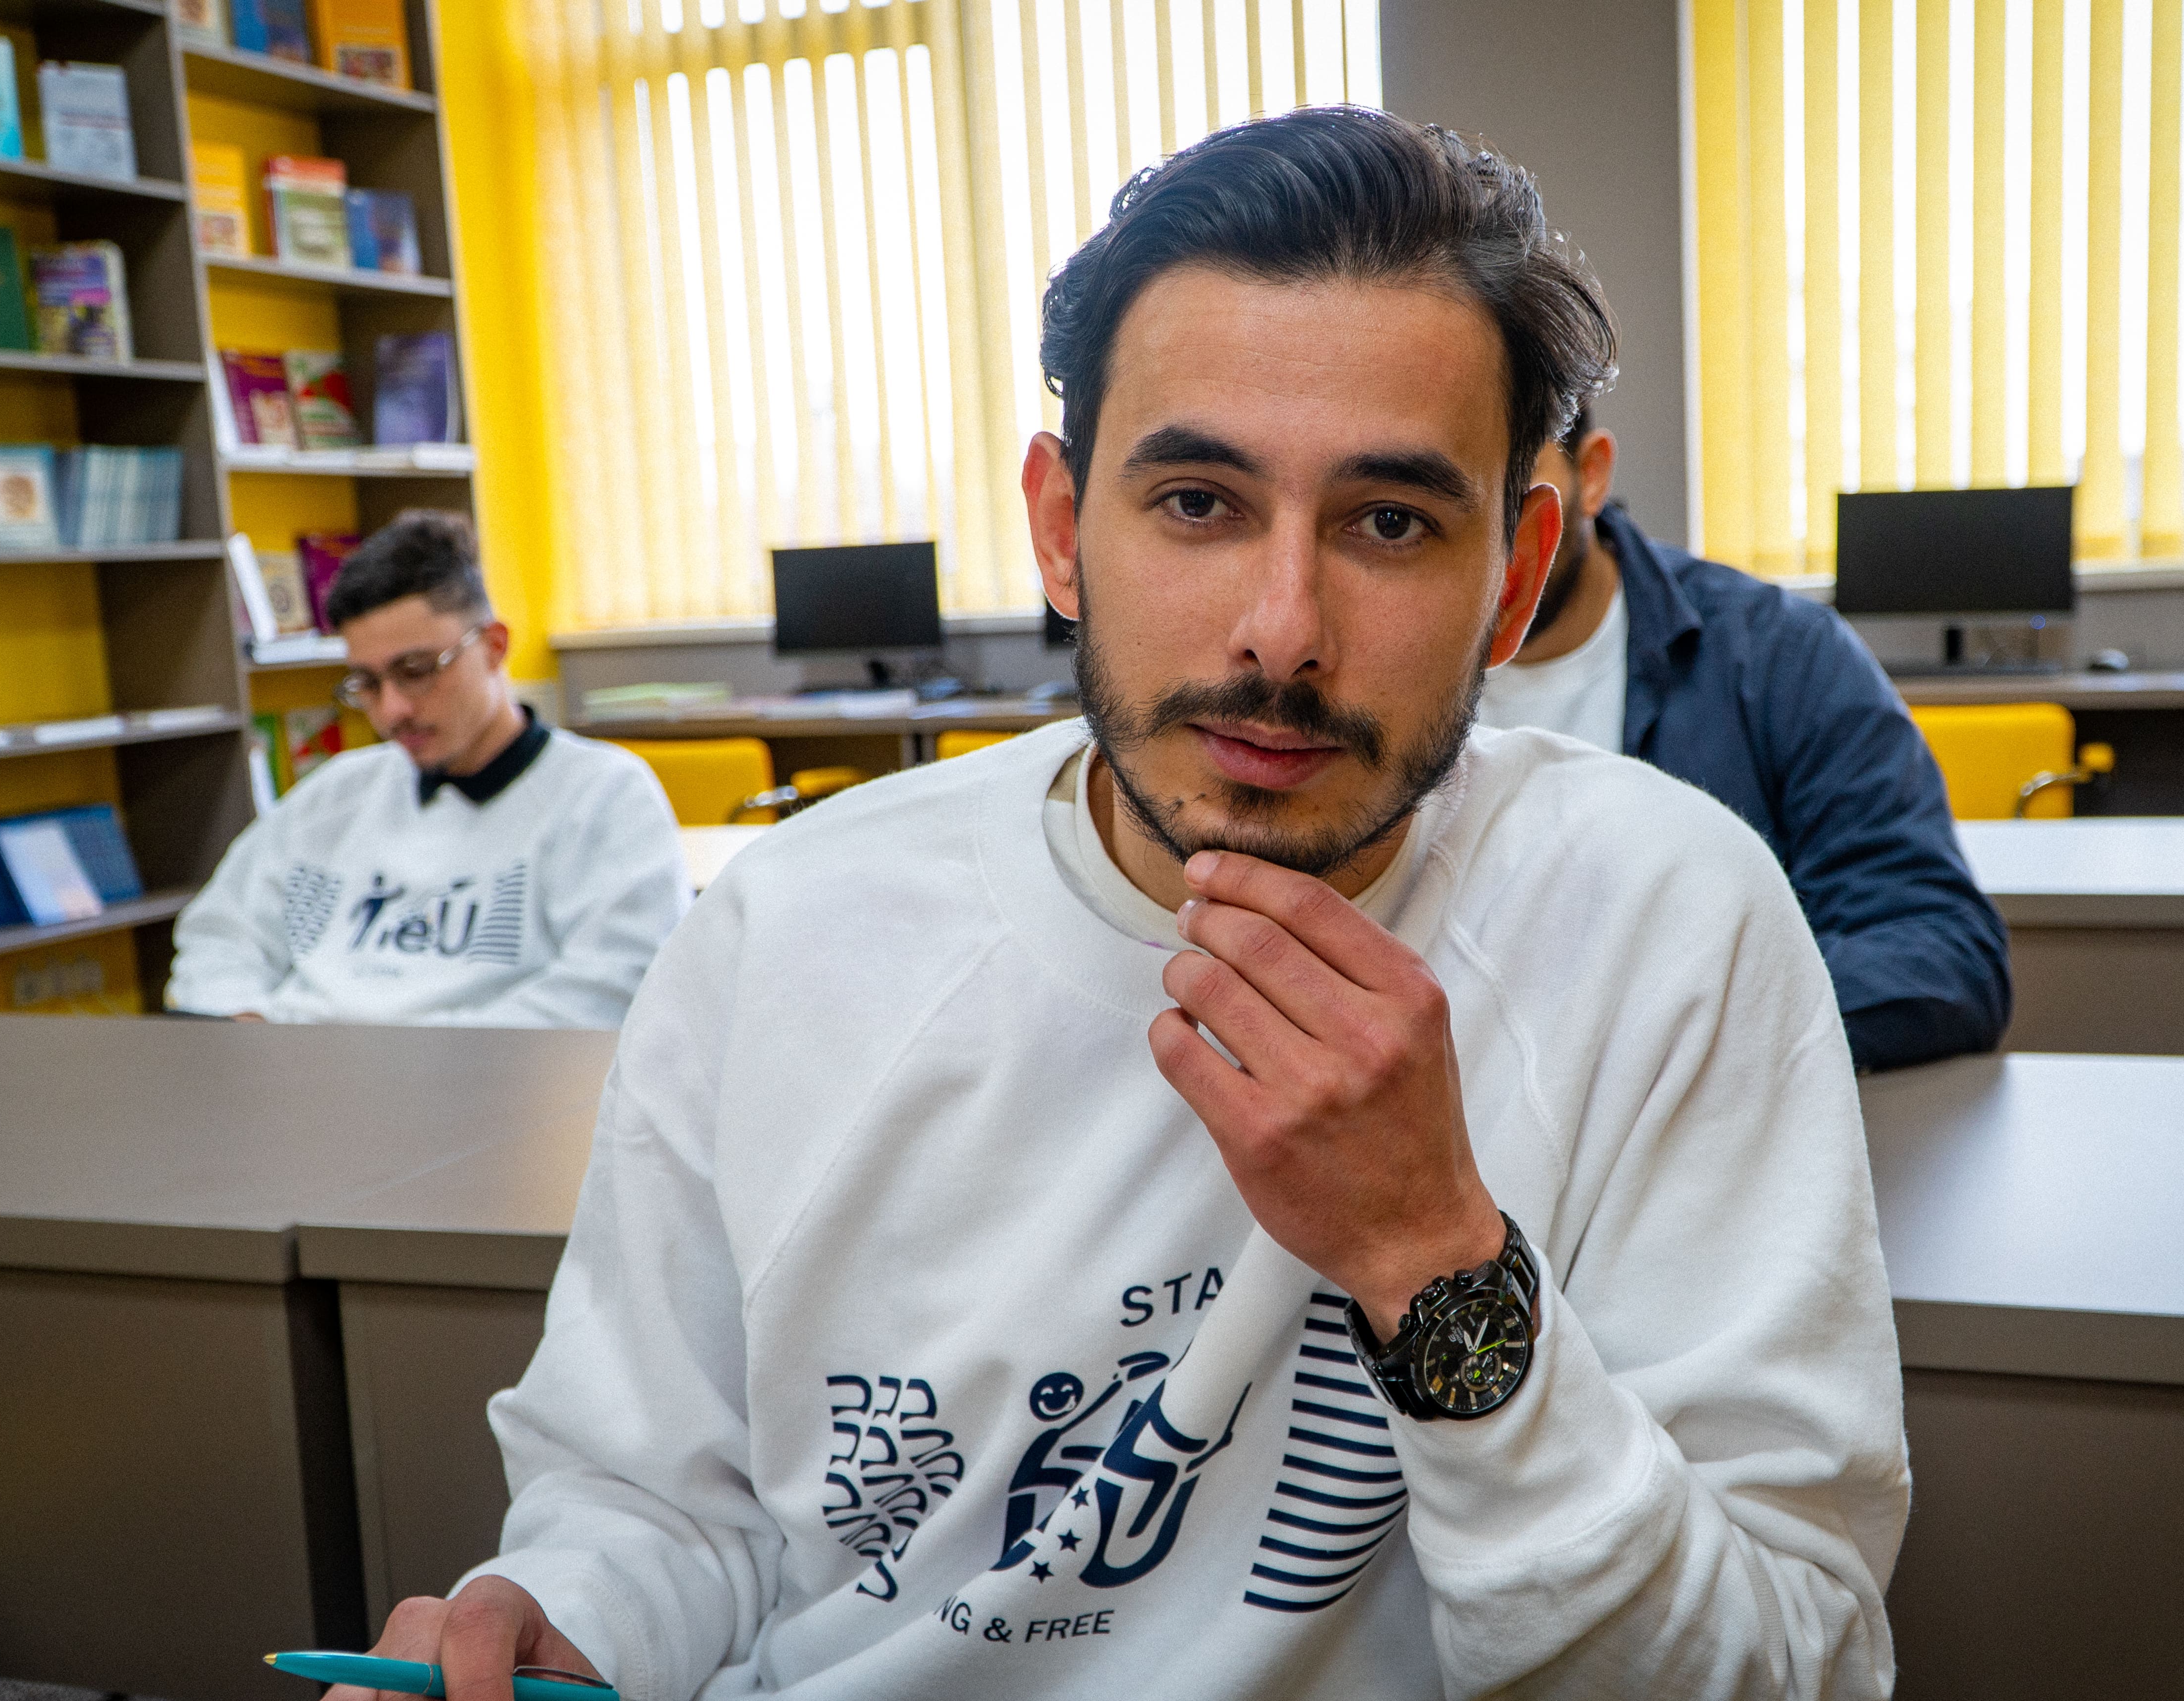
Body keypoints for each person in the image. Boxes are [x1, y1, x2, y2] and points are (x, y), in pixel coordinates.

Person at [352, 111, 1908, 1699]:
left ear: (1512, 580)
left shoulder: (1669, 922)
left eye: (1389, 523)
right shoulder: (789, 933)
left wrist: (1437, 1259)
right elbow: (663, 1507)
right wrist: (563, 1620)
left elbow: (1785, 1670)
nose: (1281, 632)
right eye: (1198, 503)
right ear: (1059, 530)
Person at [1477, 411, 2010, 1071]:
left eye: (1506, 490)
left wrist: (1678, 1029)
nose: (1476, 539)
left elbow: (1941, 953)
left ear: (1590, 476)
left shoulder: (1782, 655)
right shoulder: (1366, 673)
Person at [167, 512, 687, 1027]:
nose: (392, 711)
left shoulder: (602, 796)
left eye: (416, 672)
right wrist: (244, 1023)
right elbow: (220, 936)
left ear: (494, 647)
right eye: (367, 684)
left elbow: (611, 990)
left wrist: (408, 1063)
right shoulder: (337, 793)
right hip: (296, 1065)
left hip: (483, 1073)